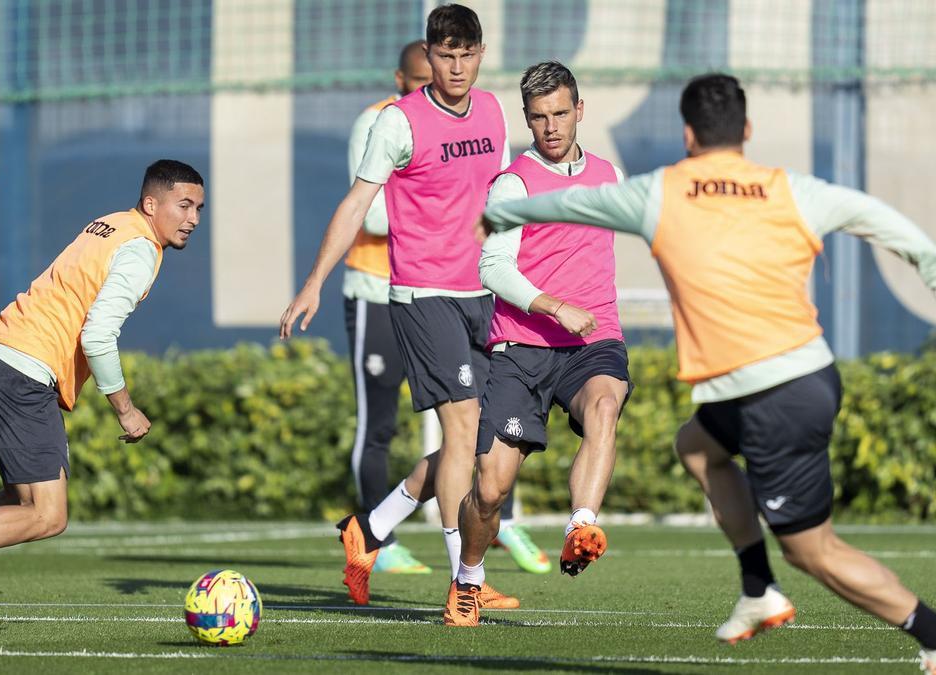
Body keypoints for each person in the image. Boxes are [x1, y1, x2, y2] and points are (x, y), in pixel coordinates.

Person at [476, 73, 936, 670]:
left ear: (688, 134)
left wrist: (504, 211)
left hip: (774, 392)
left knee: (813, 550)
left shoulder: (660, 192)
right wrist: (928, 262)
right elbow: (873, 215)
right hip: (807, 374)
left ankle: (927, 630)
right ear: (747, 130)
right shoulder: (790, 188)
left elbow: (568, 203)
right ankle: (756, 588)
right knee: (695, 446)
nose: (551, 126)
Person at [0, 160, 204, 633]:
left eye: (199, 207)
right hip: (20, 367)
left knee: (21, 495)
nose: (193, 218)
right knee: (48, 515)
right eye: (184, 205)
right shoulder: (139, 248)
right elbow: (98, 335)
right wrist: (127, 409)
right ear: (151, 203)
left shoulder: (113, 224)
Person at [280, 4, 520, 608]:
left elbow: (500, 199)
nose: (456, 65)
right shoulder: (398, 121)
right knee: (463, 428)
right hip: (422, 294)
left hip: (482, 293)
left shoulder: (493, 110)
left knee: (481, 441)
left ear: (481, 54)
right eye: (445, 54)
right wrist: (313, 281)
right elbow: (357, 203)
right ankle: (465, 583)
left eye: (467, 54)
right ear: (429, 55)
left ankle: (370, 528)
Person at [446, 61, 631, 626]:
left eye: (560, 113)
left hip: (592, 341)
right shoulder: (514, 184)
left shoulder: (609, 176)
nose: (550, 126)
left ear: (580, 110)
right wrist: (554, 305)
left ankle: (581, 525)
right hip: (522, 348)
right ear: (528, 120)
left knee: (604, 406)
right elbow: (494, 268)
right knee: (491, 487)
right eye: (538, 117)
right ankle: (470, 578)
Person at [342, 39, 433, 575]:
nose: (430, 89)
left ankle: (490, 526)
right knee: (378, 426)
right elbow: (370, 218)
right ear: (399, 80)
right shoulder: (375, 123)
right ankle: (379, 537)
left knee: (468, 419)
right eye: (419, 80)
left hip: (433, 294)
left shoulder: (453, 123)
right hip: (376, 292)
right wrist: (436, 208)